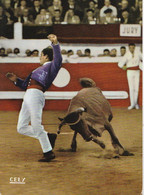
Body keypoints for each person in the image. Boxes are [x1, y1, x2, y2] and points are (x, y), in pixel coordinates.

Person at [6, 34, 62, 162]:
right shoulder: (37, 69)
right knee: (21, 127)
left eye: (41, 55)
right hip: (28, 95)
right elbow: (25, 85)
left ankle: (48, 152)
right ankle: (47, 136)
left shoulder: (52, 66)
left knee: (36, 125)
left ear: (45, 56)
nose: (40, 58)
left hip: (36, 94)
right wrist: (16, 80)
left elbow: (58, 59)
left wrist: (55, 44)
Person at [118, 43, 142, 110]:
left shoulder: (138, 53)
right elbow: (120, 64)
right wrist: (123, 67)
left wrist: (141, 64)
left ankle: (136, 104)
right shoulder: (127, 54)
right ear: (128, 48)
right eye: (130, 47)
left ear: (134, 47)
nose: (132, 49)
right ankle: (132, 104)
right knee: (131, 88)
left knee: (136, 88)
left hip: (137, 71)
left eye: (133, 47)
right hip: (130, 72)